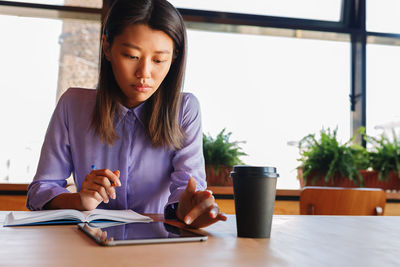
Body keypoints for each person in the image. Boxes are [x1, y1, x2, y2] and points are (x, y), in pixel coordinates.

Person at [26, 0, 226, 228]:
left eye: (159, 60)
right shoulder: (73, 105)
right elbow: (39, 191)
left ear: (174, 57)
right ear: (107, 47)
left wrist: (190, 206)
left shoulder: (185, 110)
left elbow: (186, 188)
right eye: (131, 56)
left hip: (158, 249)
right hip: (87, 247)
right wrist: (80, 200)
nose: (144, 73)